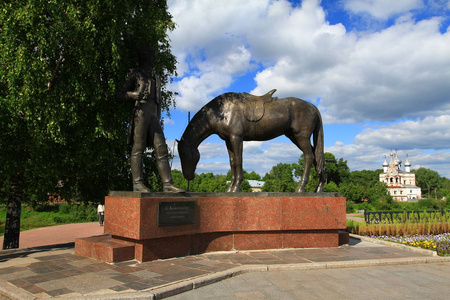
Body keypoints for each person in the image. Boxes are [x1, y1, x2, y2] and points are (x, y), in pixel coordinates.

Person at [117, 46, 185, 193]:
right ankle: (137, 183)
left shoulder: (156, 76)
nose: (153, 58)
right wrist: (132, 95)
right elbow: (120, 94)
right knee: (138, 148)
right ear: (144, 57)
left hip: (153, 115)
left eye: (153, 55)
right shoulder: (134, 73)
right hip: (140, 112)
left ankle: (167, 184)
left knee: (161, 148)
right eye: (151, 55)